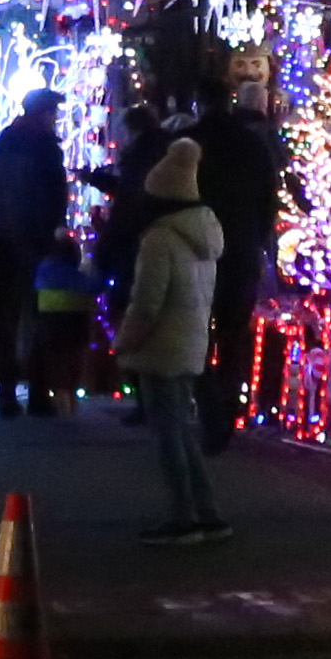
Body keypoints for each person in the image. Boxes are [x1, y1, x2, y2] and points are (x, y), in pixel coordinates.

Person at [107, 134, 231, 543]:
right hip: (191, 340)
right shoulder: (205, 235)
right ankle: (207, 510)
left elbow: (147, 302)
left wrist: (124, 341)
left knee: (168, 434)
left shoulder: (160, 238)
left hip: (160, 345)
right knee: (181, 429)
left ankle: (183, 516)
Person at [190, 53, 280, 446]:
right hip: (241, 247)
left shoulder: (189, 143)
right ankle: (226, 404)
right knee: (232, 332)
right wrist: (262, 241)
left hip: (196, 247)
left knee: (197, 331)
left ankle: (209, 402)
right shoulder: (252, 145)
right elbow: (268, 198)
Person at [0, 87, 67, 414]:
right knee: (39, 319)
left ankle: (6, 394)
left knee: (6, 319)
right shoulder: (44, 149)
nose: (56, 120)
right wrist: (52, 232)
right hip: (34, 242)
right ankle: (39, 394)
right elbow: (54, 197)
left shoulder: (0, 146)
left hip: (1, 239)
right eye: (53, 113)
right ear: (42, 113)